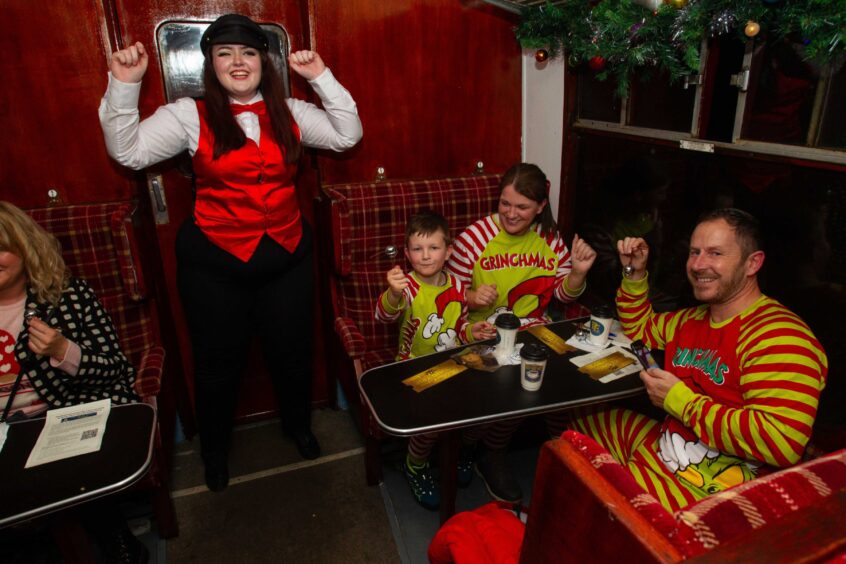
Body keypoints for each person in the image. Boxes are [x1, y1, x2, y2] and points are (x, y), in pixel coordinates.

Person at [98, 13, 363, 492]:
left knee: (292, 352)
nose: (237, 62)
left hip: (287, 255)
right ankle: (214, 452)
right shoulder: (187, 115)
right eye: (225, 53)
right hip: (215, 264)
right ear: (211, 65)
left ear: (263, 60)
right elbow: (129, 153)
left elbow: (347, 135)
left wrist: (321, 77)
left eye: (247, 52)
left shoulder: (292, 112)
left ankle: (299, 426)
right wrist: (123, 86)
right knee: (218, 364)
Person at [571, 208, 828, 512]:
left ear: (752, 263)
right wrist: (635, 273)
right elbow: (639, 328)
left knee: (593, 498)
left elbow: (782, 441)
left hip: (708, 485)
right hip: (671, 443)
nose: (698, 264)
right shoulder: (692, 320)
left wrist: (680, 401)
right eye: (695, 252)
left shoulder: (780, 336)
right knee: (579, 423)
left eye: (715, 253)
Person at [0, 201, 145, 563]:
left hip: (58, 419)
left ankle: (117, 540)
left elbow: (115, 368)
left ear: (24, 248)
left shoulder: (68, 297)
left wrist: (64, 350)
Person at [447, 162, 597, 503]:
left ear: (540, 207)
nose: (511, 214)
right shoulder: (474, 239)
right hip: (482, 335)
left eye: (522, 207)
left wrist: (577, 272)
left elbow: (562, 294)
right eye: (505, 203)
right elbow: (446, 299)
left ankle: (571, 461)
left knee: (562, 381)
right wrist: (470, 297)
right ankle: (479, 449)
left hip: (533, 333)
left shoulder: (549, 238)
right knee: (513, 387)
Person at [375, 211, 496, 509]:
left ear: (448, 251)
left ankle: (465, 451)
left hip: (455, 364)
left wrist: (473, 332)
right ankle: (415, 465)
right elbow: (383, 314)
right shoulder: (407, 287)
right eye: (417, 249)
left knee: (486, 408)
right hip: (415, 368)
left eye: (433, 248)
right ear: (407, 253)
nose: (425, 256)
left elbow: (459, 328)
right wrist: (392, 292)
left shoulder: (457, 286)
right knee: (432, 425)